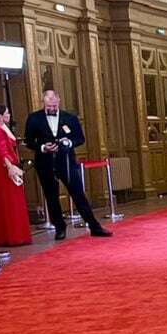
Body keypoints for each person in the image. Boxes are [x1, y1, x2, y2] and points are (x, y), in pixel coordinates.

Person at [23, 90, 111, 240]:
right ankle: (59, 227)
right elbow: (29, 141)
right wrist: (43, 147)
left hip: (67, 161)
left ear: (59, 101)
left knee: (78, 194)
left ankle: (94, 226)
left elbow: (80, 138)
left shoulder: (69, 117)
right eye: (48, 105)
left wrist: (69, 143)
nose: (51, 108)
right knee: (51, 197)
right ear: (43, 102)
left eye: (54, 105)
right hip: (45, 162)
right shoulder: (34, 118)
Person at [0, 104, 32, 247]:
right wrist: (10, 167)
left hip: (4, 167)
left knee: (12, 201)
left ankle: (15, 235)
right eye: (7, 113)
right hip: (3, 170)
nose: (9, 115)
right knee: (9, 202)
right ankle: (13, 236)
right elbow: (1, 150)